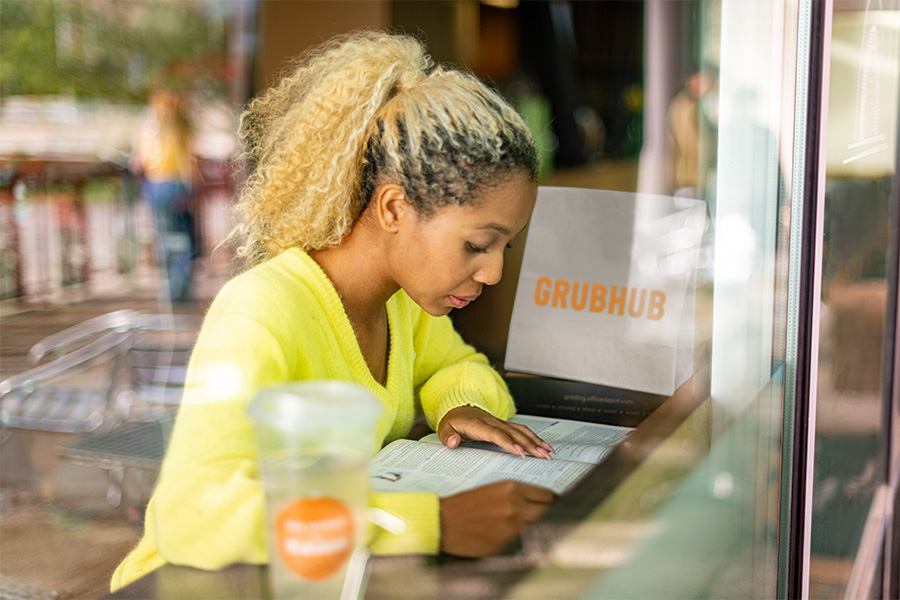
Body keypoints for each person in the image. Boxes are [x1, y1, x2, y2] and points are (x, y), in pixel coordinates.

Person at [111, 31, 556, 590]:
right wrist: (429, 524)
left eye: (503, 248)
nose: (492, 273)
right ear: (395, 206)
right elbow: (192, 516)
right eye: (476, 245)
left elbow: (458, 365)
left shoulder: (404, 305)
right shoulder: (261, 313)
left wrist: (457, 403)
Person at [130, 87, 197, 304]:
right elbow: (188, 159)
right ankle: (179, 287)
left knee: (166, 237)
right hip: (174, 183)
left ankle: (170, 288)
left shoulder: (150, 127)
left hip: (156, 184)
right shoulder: (177, 126)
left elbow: (137, 162)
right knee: (180, 237)